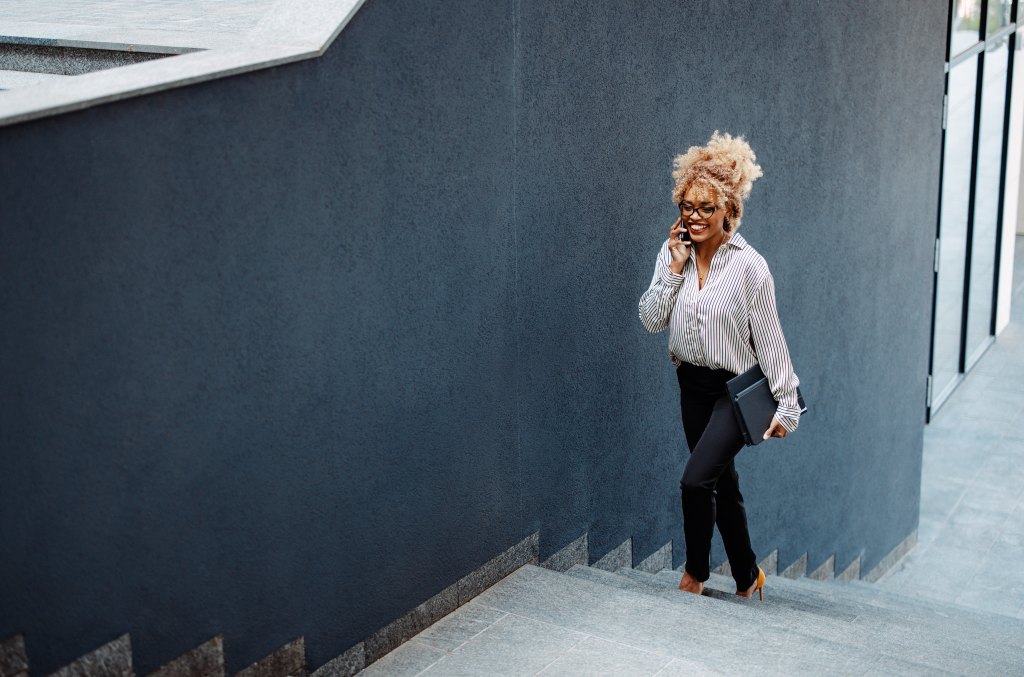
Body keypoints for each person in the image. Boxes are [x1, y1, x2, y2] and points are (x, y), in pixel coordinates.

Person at [638, 131, 801, 602]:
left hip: (734, 392)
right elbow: (651, 320)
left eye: (706, 207)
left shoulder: (751, 267)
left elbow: (771, 341)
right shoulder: (675, 254)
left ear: (728, 209)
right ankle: (750, 576)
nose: (693, 216)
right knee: (721, 485)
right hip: (690, 385)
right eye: (687, 205)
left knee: (695, 480)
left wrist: (787, 406)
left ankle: (694, 573)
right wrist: (672, 268)